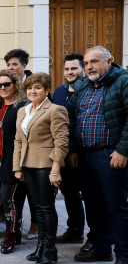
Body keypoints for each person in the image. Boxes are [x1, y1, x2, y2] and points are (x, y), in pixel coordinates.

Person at [67, 45, 128, 264]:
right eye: (87, 62)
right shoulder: (82, 86)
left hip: (111, 155)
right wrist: (72, 149)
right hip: (85, 155)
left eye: (94, 61)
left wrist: (122, 150)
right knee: (93, 204)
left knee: (116, 206)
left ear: (109, 61)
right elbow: (71, 119)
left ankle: (124, 256)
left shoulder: (123, 81)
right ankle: (101, 248)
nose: (89, 66)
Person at [13, 72, 68, 264]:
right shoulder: (23, 111)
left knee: (46, 208)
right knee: (37, 208)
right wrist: (17, 167)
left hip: (46, 166)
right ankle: (40, 247)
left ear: (46, 90)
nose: (32, 91)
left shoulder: (55, 110)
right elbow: (18, 140)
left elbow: (61, 142)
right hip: (28, 165)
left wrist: (56, 169)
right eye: (29, 88)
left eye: (37, 87)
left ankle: (50, 249)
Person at [0, 69, 28, 254]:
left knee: (9, 199)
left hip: (13, 160)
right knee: (10, 199)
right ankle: (16, 231)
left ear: (15, 85)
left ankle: (9, 235)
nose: (3, 88)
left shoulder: (22, 107)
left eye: (7, 84)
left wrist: (19, 164)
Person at [53, 53, 86, 245]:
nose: (70, 72)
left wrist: (74, 150)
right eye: (67, 69)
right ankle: (75, 230)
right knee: (69, 192)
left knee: (89, 194)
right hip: (64, 151)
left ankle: (96, 235)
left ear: (82, 69)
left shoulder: (89, 90)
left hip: (85, 151)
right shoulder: (59, 91)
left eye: (74, 68)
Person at [4, 48, 37, 238]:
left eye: (14, 64)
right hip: (13, 147)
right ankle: (15, 224)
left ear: (24, 66)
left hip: (32, 148)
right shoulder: (7, 86)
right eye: (8, 65)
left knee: (32, 191)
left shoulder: (34, 83)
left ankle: (35, 224)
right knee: (16, 190)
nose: (11, 68)